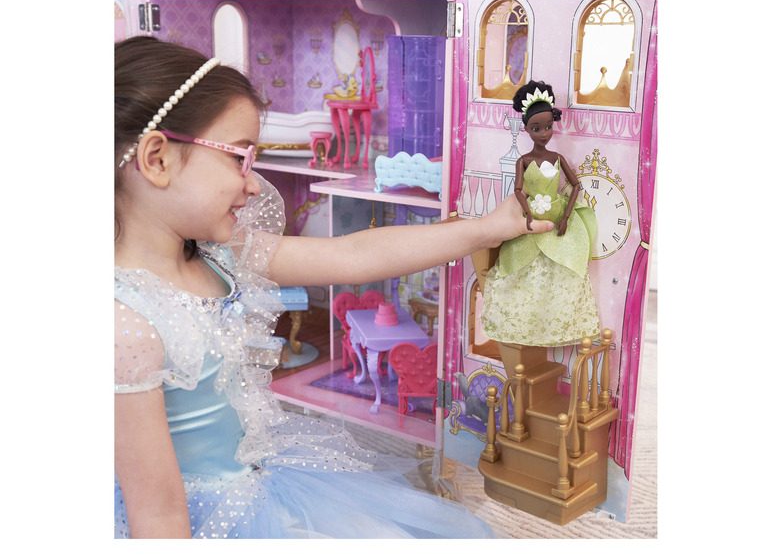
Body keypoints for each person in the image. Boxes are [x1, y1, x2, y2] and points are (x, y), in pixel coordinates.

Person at [114, 36, 553, 539]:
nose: (253, 183)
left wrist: (488, 228)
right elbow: (158, 516)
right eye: (239, 159)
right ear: (157, 159)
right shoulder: (127, 328)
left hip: (265, 481)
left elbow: (354, 255)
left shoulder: (221, 254)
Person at [480, 80, 600, 347]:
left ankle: (557, 323)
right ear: (526, 129)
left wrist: (566, 216)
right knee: (523, 266)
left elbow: (576, 185)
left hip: (556, 216)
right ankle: (523, 322)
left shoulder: (557, 158)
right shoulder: (524, 160)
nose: (544, 133)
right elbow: (518, 190)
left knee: (561, 267)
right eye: (536, 128)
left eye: (548, 127)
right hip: (532, 218)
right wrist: (527, 213)